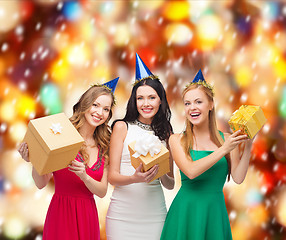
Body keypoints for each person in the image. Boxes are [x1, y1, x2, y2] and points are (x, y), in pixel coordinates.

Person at [18, 77, 119, 240]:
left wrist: (84, 176)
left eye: (106, 109)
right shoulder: (62, 135)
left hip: (87, 216)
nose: (99, 113)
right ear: (85, 104)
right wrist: (34, 160)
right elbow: (41, 183)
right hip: (61, 214)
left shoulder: (104, 146)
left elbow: (101, 191)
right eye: (95, 105)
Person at [160, 69, 253, 240]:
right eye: (187, 103)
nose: (192, 108)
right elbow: (191, 171)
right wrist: (224, 149)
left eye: (198, 102)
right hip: (185, 212)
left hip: (214, 212)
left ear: (210, 105)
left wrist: (248, 146)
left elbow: (238, 178)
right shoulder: (176, 140)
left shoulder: (226, 139)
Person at [105, 53, 174, 240]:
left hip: (154, 215)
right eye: (140, 98)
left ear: (161, 100)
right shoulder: (122, 127)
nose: (146, 104)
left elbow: (170, 183)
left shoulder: (166, 133)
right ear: (134, 101)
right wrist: (135, 178)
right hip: (122, 215)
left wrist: (161, 171)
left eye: (151, 98)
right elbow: (112, 177)